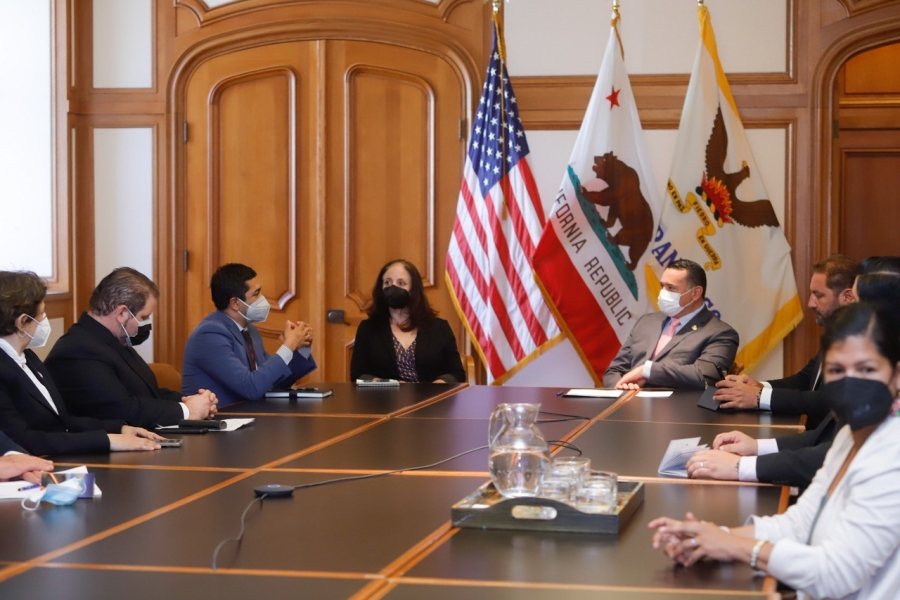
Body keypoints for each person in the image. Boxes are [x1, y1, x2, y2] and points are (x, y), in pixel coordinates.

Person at [649, 303, 900, 599]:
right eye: (837, 370)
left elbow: (836, 574)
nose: (850, 383)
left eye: (866, 369)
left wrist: (736, 547)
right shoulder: (849, 436)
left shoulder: (892, 455)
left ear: (896, 375)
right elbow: (801, 522)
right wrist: (711, 536)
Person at [686, 266, 900, 489]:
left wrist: (741, 466)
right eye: (836, 370)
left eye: (866, 370)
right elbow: (824, 437)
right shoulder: (847, 342)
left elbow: (828, 453)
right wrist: (757, 440)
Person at [0, 271, 162, 456]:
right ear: (22, 322)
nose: (44, 321)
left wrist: (119, 428)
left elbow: (63, 421)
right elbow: (23, 440)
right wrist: (107, 440)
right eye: (42, 313)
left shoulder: (29, 358)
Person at [45, 267, 217, 427]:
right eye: (143, 317)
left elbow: (149, 394)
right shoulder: (78, 350)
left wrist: (191, 401)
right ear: (122, 313)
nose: (146, 324)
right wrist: (187, 410)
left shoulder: (111, 339)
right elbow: (121, 409)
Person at [713, 254, 858, 424]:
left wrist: (759, 397)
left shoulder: (858, 341)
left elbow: (826, 400)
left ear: (847, 297)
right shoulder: (837, 332)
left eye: (818, 295)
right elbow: (804, 380)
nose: (810, 303)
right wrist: (758, 386)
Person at [181, 263, 317, 406]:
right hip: (220, 417)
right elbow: (250, 387)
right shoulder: (209, 335)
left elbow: (272, 382)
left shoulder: (250, 331)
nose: (263, 299)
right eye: (256, 294)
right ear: (235, 303)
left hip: (251, 414)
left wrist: (302, 346)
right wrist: (288, 346)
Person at [602, 259, 738, 390]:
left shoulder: (720, 333)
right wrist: (621, 387)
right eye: (662, 286)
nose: (663, 293)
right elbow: (614, 370)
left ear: (696, 293)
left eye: (671, 288)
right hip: (628, 402)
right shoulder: (646, 322)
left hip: (676, 406)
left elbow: (705, 376)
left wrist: (647, 371)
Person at [350, 259, 465, 383]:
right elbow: (358, 374)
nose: (393, 287)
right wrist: (388, 385)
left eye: (401, 283)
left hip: (432, 394)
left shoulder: (439, 328)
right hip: (386, 395)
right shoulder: (368, 328)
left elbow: (457, 373)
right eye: (388, 282)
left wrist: (435, 387)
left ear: (413, 290)